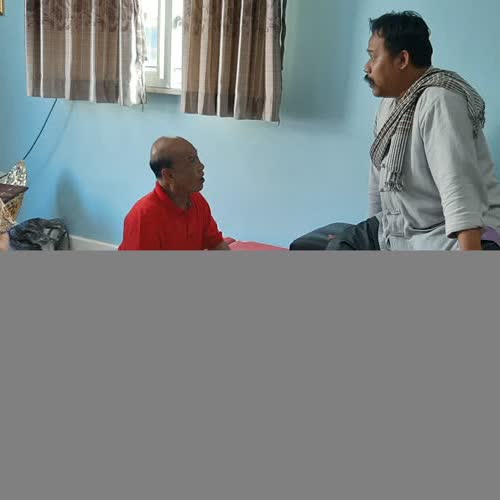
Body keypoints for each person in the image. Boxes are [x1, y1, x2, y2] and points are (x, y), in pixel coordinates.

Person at [325, 11, 500, 251]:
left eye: (373, 56)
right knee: (342, 246)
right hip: (402, 228)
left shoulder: (440, 100)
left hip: (449, 234)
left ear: (402, 59)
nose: (367, 67)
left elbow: (458, 185)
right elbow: (378, 181)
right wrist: (375, 239)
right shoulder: (389, 105)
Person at [119, 137, 230, 250]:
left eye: (197, 158)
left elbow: (216, 243)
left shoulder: (196, 199)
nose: (201, 166)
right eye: (192, 160)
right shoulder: (143, 218)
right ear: (169, 175)